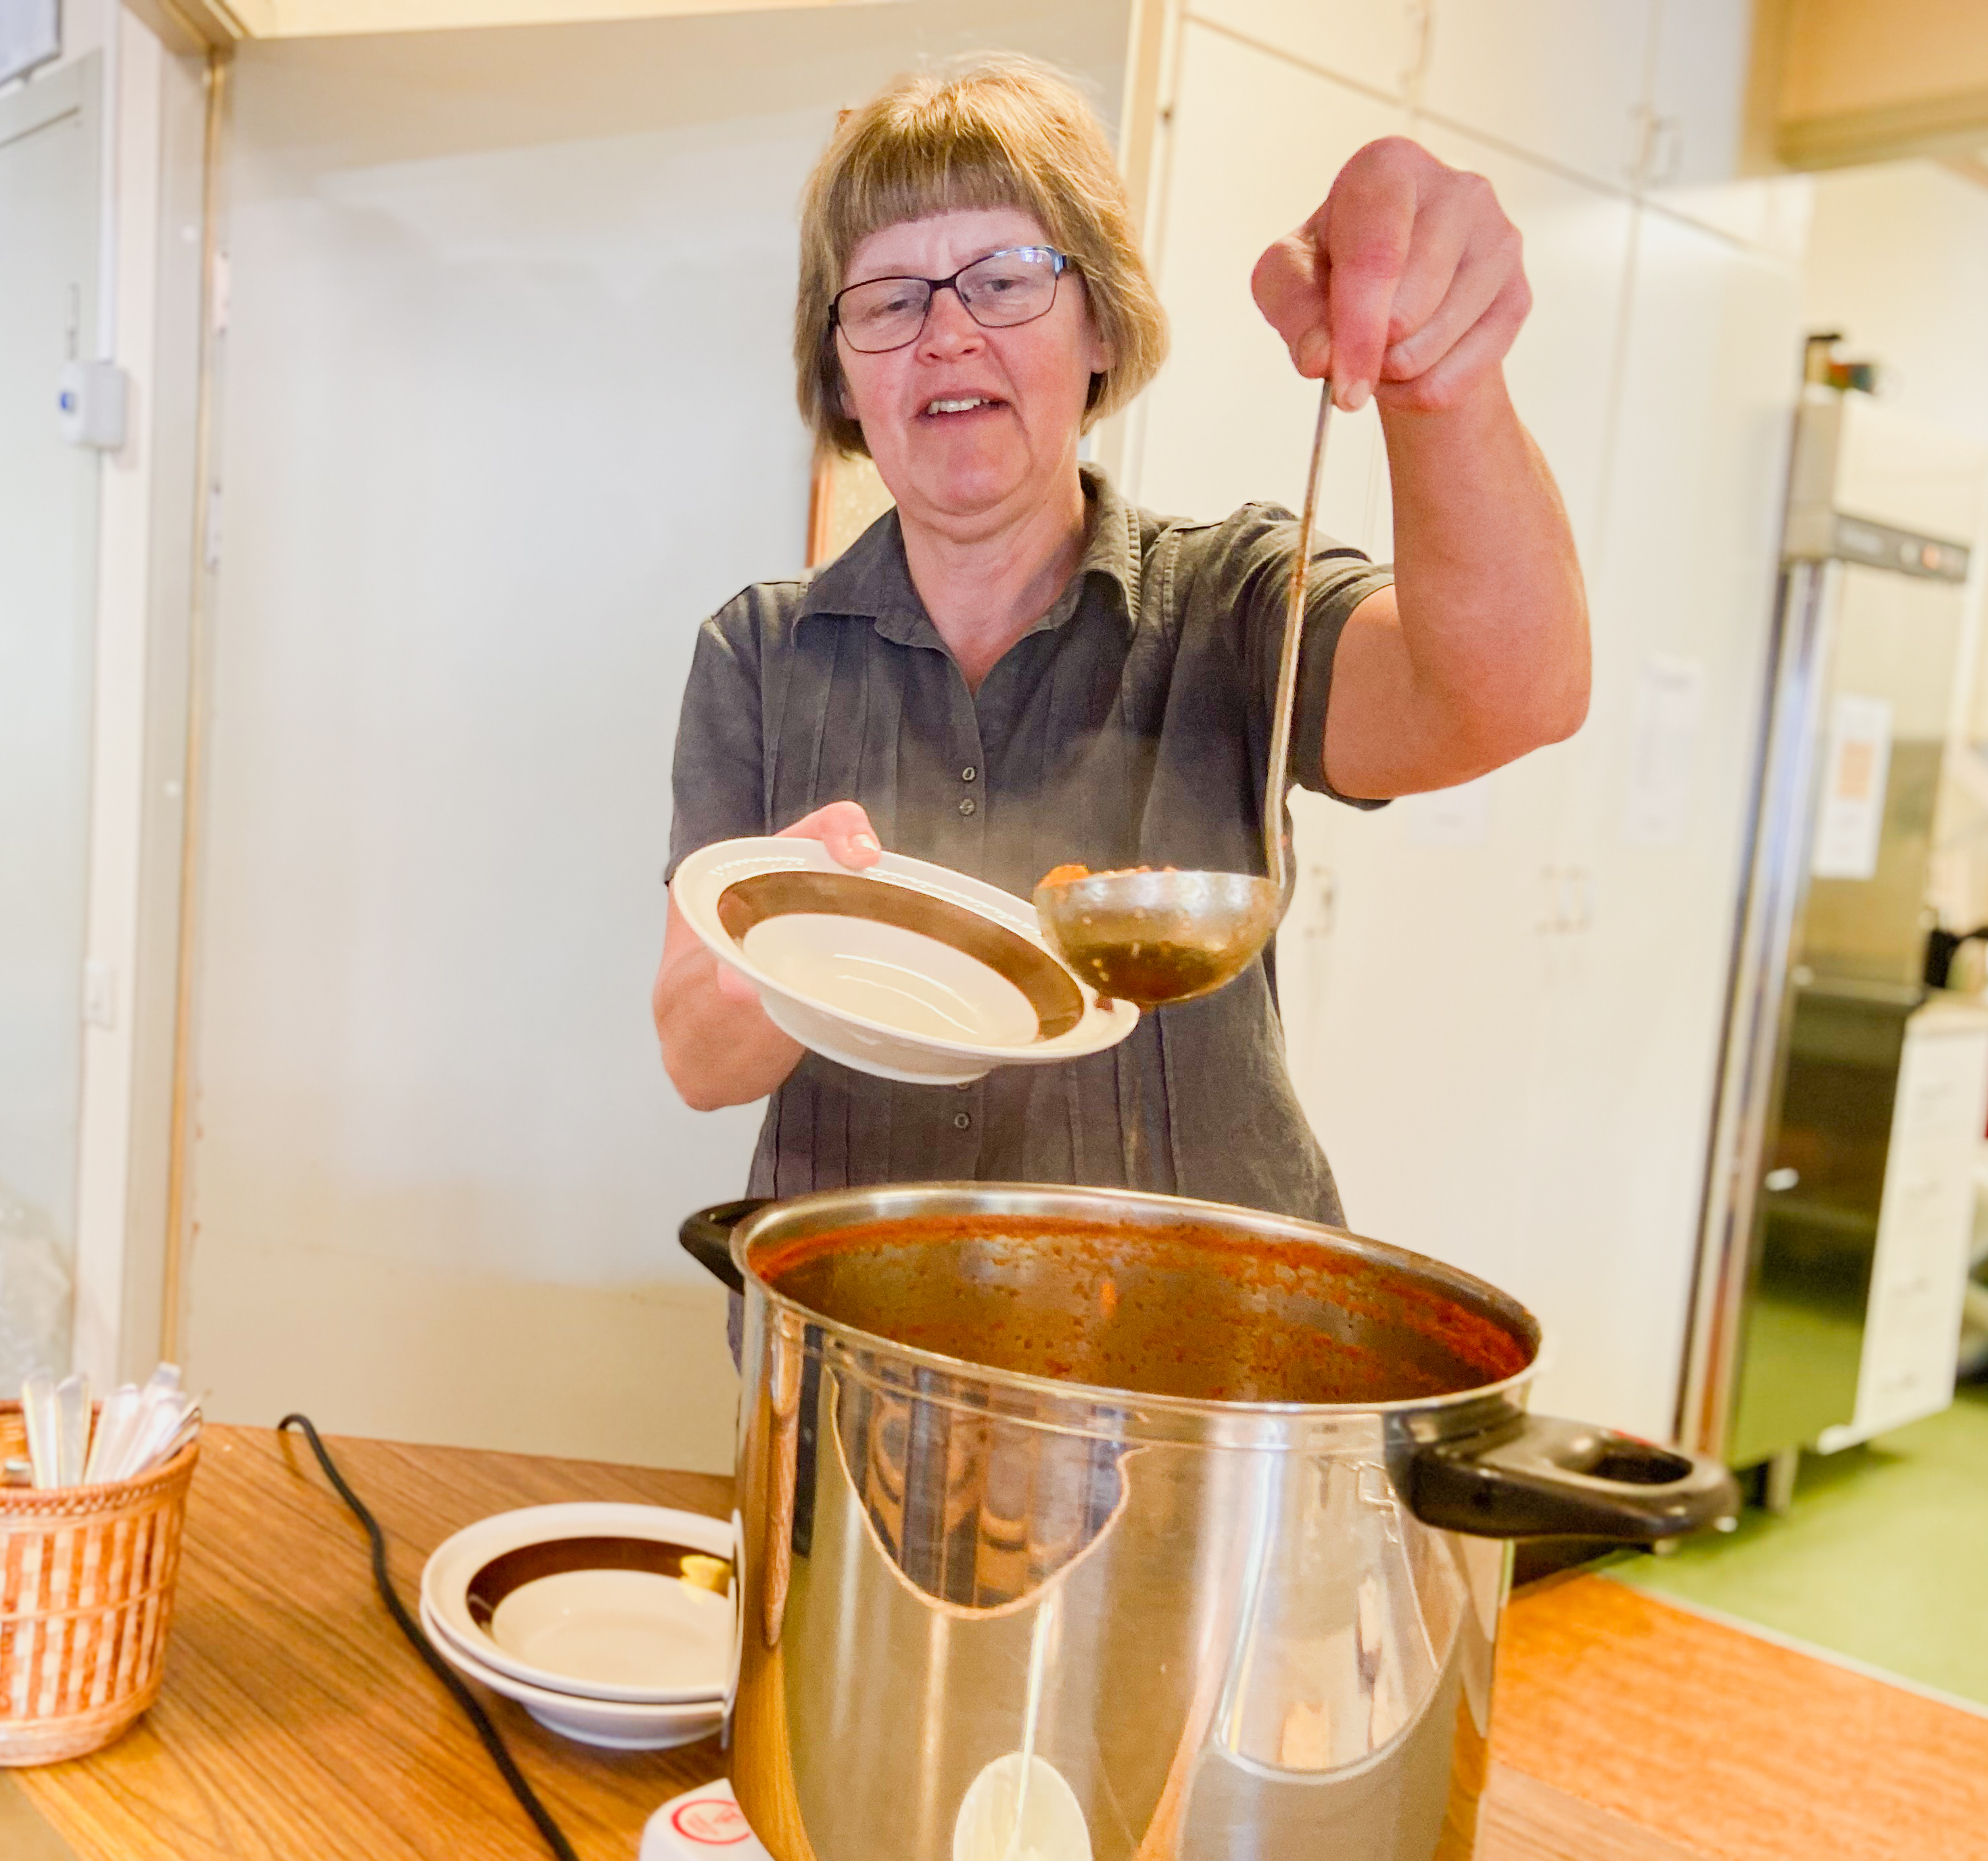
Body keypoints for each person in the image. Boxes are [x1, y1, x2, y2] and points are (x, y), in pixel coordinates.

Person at [653, 58, 1586, 1224]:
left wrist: (1439, 376)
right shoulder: (760, 653)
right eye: (890, 300)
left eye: (1004, 280)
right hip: (859, 1351)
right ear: (843, 375)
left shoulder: (1229, 602)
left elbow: (1509, 695)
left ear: (1099, 325)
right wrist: (787, 928)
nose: (946, 334)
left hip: (1183, 1368)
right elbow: (698, 1060)